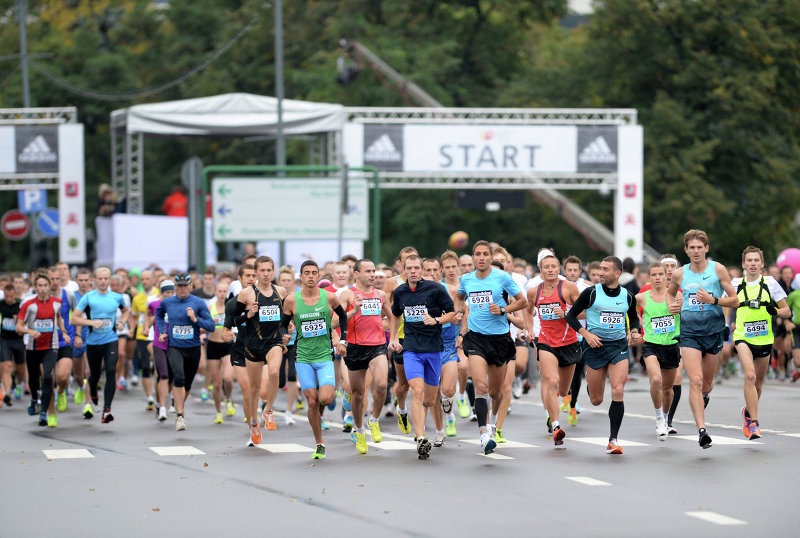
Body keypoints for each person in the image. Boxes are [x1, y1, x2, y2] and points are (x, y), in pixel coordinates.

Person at [667, 229, 737, 449]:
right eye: (692, 247)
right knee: (695, 380)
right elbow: (670, 293)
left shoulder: (718, 270)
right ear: (686, 250)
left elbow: (735, 300)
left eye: (700, 247)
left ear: (706, 248)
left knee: (706, 383)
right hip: (689, 333)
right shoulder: (679, 274)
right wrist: (673, 305)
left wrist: (713, 300)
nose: (696, 251)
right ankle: (702, 431)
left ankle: (704, 396)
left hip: (714, 332)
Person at [566, 256, 643, 455]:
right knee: (596, 400)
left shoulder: (627, 296)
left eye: (605, 269)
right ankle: (591, 384)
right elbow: (571, 316)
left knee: (618, 390)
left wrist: (634, 332)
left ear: (617, 273)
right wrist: (586, 334)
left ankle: (613, 440)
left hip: (618, 346)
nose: (601, 272)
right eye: (600, 268)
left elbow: (633, 319)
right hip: (595, 346)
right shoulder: (591, 293)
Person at [456, 240, 527, 455]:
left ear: (490, 257)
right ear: (473, 256)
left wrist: (504, 309)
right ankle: (484, 434)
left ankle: (494, 422)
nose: (481, 258)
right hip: (476, 338)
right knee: (481, 386)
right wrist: (459, 312)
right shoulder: (466, 279)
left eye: (485, 254)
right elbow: (459, 296)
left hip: (500, 339)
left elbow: (522, 301)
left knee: (496, 393)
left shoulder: (502, 278)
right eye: (477, 254)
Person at [715, 246, 790, 440]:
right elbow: (726, 304)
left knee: (757, 384)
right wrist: (724, 324)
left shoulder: (771, 283)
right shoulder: (736, 283)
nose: (753, 264)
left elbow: (787, 311)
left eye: (756, 260)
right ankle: (754, 424)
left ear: (762, 264)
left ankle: (748, 412)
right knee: (749, 375)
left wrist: (774, 311)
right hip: (742, 337)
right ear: (743, 264)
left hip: (764, 339)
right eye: (749, 260)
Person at [281, 260, 349, 460]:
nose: (310, 276)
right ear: (301, 277)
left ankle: (319, 412)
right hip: (303, 357)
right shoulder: (292, 301)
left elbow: (343, 317)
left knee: (326, 398)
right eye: (306, 273)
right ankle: (319, 443)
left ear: (319, 276)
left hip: (324, 356)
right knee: (311, 400)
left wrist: (342, 339)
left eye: (314, 273)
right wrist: (284, 335)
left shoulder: (328, 297)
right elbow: (282, 325)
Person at [390, 255, 455, 459]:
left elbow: (452, 313)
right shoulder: (400, 292)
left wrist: (436, 320)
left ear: (422, 270)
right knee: (417, 391)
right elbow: (395, 314)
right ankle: (420, 438)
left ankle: (430, 429)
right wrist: (393, 338)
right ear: (404, 269)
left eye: (417, 268)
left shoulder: (435, 289)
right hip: (411, 350)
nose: (413, 271)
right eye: (409, 268)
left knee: (429, 398)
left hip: (434, 350)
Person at [524, 249, 581, 447]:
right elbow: (527, 309)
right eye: (546, 267)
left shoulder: (569, 288)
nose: (550, 270)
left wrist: (566, 312)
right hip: (546, 341)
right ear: (540, 271)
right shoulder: (534, 291)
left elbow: (584, 313)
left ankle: (554, 409)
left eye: (553, 266)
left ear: (559, 269)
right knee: (552, 381)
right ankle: (556, 425)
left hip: (569, 342)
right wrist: (529, 329)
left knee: (563, 390)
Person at [338, 259, 394, 454]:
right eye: (368, 271)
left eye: (373, 271)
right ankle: (359, 429)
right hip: (354, 347)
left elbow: (392, 317)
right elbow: (334, 322)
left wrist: (392, 337)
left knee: (381, 385)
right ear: (356, 274)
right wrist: (353, 310)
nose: (372, 275)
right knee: (358, 393)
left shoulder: (381, 295)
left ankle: (375, 420)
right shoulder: (347, 294)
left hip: (377, 346)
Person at [234, 256, 288, 439]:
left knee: (274, 372)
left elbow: (286, 318)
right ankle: (254, 423)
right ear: (256, 272)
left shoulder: (281, 291)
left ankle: (269, 410)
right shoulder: (247, 294)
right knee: (254, 388)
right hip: (253, 345)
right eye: (262, 270)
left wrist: (287, 332)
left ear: (273, 272)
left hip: (274, 341)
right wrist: (248, 314)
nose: (266, 274)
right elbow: (234, 320)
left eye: (269, 270)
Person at [156, 273, 216, 431]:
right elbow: (159, 315)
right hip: (174, 347)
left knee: (187, 383)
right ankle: (180, 415)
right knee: (179, 377)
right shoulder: (168, 302)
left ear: (191, 286)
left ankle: (178, 402)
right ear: (175, 287)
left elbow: (211, 326)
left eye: (185, 286)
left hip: (193, 348)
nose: (182, 289)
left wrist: (196, 319)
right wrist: (162, 331)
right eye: (179, 286)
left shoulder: (198, 303)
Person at [71, 267, 130, 423]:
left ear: (110, 280)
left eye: (106, 278)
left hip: (111, 340)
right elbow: (74, 319)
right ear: (94, 280)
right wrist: (91, 322)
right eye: (100, 278)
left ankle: (107, 411)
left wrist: (122, 322)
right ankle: (94, 393)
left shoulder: (117, 297)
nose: (103, 281)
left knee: (111, 370)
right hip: (92, 343)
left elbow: (126, 311)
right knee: (94, 375)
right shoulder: (88, 298)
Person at [636, 262, 682, 441]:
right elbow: (629, 312)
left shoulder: (677, 295)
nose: (657, 278)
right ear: (649, 277)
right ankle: (658, 418)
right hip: (651, 345)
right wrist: (634, 328)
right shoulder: (642, 297)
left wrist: (680, 309)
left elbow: (686, 314)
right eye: (653, 275)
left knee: (668, 389)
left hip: (671, 345)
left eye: (660, 275)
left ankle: (665, 415)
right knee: (656, 380)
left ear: (666, 277)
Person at [17, 273, 69, 427]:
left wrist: (64, 332)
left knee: (47, 377)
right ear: (35, 287)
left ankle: (43, 412)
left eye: (45, 285)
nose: (43, 288)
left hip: (51, 346)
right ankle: (34, 399)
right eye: (39, 285)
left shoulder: (57, 303)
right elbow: (18, 327)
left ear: (49, 287)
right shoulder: (29, 305)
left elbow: (58, 317)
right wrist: (29, 331)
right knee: (34, 379)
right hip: (33, 348)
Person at [383, 246, 419, 435]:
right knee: (403, 384)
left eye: (414, 263)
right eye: (406, 263)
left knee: (418, 385)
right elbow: (386, 308)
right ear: (401, 264)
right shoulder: (392, 283)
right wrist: (390, 331)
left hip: (420, 337)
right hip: (400, 336)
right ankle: (402, 409)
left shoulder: (424, 283)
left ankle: (420, 424)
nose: (410, 268)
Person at [143, 279, 175, 422]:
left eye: (171, 292)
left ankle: (165, 398)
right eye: (167, 292)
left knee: (172, 377)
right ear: (161, 293)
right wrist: (146, 327)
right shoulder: (155, 304)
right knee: (163, 375)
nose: (169, 295)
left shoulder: (177, 304)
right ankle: (162, 407)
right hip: (159, 344)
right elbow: (148, 314)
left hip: (174, 344)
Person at [206, 281, 235, 424]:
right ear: (215, 292)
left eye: (224, 291)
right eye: (220, 291)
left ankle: (228, 399)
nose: (222, 294)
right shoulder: (210, 307)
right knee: (217, 383)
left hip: (227, 346)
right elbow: (203, 327)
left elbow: (236, 325)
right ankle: (218, 411)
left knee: (228, 378)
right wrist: (211, 322)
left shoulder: (230, 307)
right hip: (213, 346)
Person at [130, 269, 157, 411]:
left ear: (153, 280)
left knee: (159, 368)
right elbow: (133, 316)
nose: (145, 281)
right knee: (145, 367)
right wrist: (131, 329)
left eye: (147, 279)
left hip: (159, 335)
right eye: (143, 279)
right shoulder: (137, 298)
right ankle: (150, 398)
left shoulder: (160, 294)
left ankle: (162, 394)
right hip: (143, 335)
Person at [0, 284, 25, 408]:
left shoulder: (20, 305)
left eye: (11, 296)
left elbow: (24, 323)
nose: (8, 299)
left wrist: (19, 320)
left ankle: (19, 384)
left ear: (14, 295)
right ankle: (8, 394)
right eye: (6, 296)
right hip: (5, 340)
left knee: (20, 368)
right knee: (7, 365)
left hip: (18, 340)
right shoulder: (1, 304)